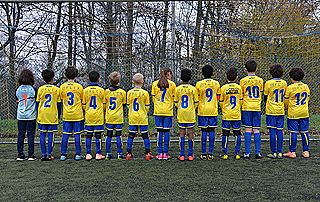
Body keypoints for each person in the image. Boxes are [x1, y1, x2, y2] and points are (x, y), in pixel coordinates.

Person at [284, 68, 311, 158]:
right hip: (304, 112)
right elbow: (307, 98)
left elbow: (286, 101)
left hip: (293, 113)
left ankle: (292, 152)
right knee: (304, 132)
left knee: (293, 132)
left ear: (291, 77)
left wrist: (287, 108)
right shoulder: (306, 87)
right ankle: (306, 151)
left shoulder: (290, 88)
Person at [195, 65, 220, 160]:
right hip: (213, 110)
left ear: (202, 73)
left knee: (204, 131)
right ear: (212, 73)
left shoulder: (199, 84)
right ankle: (210, 153)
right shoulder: (216, 83)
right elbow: (218, 97)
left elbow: (197, 98)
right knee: (212, 131)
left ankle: (203, 153)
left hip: (202, 110)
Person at [240, 59, 264, 159]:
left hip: (247, 107)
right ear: (256, 69)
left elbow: (241, 95)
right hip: (257, 107)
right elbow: (261, 94)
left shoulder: (243, 81)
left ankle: (247, 153)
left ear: (245, 69)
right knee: (257, 130)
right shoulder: (260, 80)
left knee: (248, 129)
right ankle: (258, 152)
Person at [36, 69, 62, 161]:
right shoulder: (57, 89)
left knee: (42, 134)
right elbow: (59, 104)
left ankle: (43, 154)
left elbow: (37, 103)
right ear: (53, 77)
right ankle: (49, 154)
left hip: (42, 115)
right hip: (52, 115)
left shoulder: (40, 89)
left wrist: (37, 113)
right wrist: (59, 115)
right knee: (51, 135)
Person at [59, 67, 84, 161]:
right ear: (76, 75)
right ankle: (78, 154)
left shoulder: (62, 87)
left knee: (65, 134)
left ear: (65, 75)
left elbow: (61, 100)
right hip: (77, 115)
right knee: (77, 134)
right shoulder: (79, 87)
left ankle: (63, 154)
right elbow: (82, 100)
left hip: (66, 114)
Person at [125, 73, 152, 161]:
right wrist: (143, 112)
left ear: (133, 82)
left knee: (131, 135)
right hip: (142, 117)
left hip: (133, 117)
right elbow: (147, 106)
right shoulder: (145, 93)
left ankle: (128, 153)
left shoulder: (129, 93)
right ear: (142, 82)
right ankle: (148, 153)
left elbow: (128, 105)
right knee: (145, 136)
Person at [151, 68, 176, 160]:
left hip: (158, 110)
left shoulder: (155, 84)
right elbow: (174, 98)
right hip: (168, 111)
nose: (171, 76)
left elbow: (153, 98)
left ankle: (159, 153)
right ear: (168, 74)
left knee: (159, 132)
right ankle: (165, 153)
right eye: (170, 74)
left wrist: (158, 105)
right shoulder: (172, 84)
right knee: (166, 132)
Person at [264, 64, 287, 159]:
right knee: (280, 131)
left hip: (271, 111)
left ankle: (273, 152)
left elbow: (265, 97)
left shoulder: (268, 83)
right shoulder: (284, 83)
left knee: (272, 131)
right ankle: (280, 152)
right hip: (280, 110)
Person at [175, 69, 198, 161]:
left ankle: (181, 155)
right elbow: (196, 102)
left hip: (181, 113)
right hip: (190, 113)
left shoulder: (177, 89)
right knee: (190, 133)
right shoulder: (193, 89)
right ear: (190, 78)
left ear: (181, 78)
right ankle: (190, 155)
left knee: (181, 133)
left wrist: (180, 108)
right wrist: (192, 108)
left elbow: (176, 102)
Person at [219, 68, 242, 160]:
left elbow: (221, 101)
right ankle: (237, 153)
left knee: (225, 134)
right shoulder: (239, 88)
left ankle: (225, 153)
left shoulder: (223, 88)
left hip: (226, 114)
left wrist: (224, 108)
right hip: (236, 114)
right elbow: (240, 101)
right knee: (237, 133)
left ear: (226, 76)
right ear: (236, 77)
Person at [82, 71, 106, 161]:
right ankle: (98, 153)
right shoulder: (101, 90)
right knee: (98, 135)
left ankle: (88, 153)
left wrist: (87, 110)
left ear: (89, 79)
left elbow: (83, 104)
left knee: (88, 135)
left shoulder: (85, 90)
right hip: (98, 116)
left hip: (89, 115)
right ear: (98, 78)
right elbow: (104, 104)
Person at [16, 69, 37, 161]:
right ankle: (31, 155)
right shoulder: (33, 89)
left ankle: (20, 155)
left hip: (20, 115)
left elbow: (17, 100)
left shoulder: (18, 89)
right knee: (30, 135)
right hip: (31, 115)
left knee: (21, 134)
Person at [105, 71, 126, 160]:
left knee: (108, 135)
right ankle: (119, 153)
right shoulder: (122, 92)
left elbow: (104, 103)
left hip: (109, 116)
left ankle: (107, 153)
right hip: (118, 117)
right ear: (119, 80)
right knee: (118, 135)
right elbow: (124, 104)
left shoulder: (106, 91)